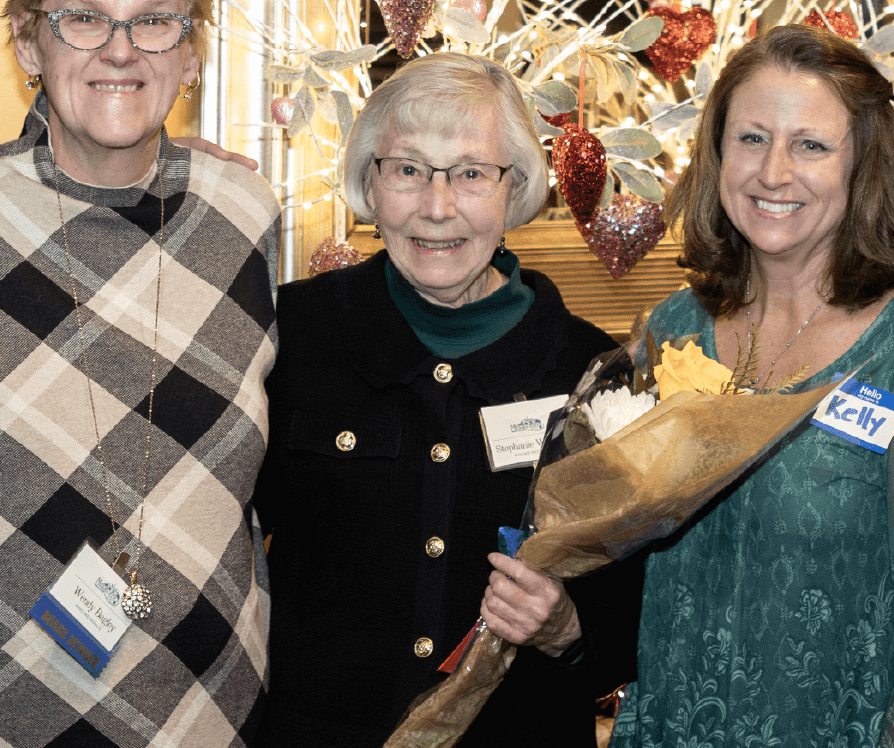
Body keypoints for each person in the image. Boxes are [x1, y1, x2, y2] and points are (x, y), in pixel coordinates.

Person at [0, 0, 279, 747]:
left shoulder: (248, 216)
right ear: (24, 42)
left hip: (205, 706)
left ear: (191, 50)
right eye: (83, 18)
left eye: (154, 19)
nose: (121, 50)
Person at [610, 22, 894, 748]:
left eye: (810, 145)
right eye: (750, 138)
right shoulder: (672, 331)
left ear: (861, 167)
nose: (771, 172)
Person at [257, 52, 638, 747]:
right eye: (407, 169)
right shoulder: (294, 336)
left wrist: (568, 624)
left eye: (469, 173)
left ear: (514, 186)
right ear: (369, 182)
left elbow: (635, 606)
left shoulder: (589, 367)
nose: (437, 208)